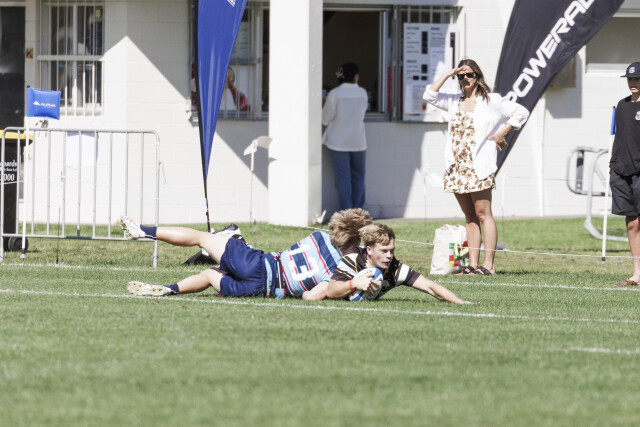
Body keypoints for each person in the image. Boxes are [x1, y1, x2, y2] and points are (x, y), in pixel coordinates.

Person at [423, 59, 529, 275]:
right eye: (461, 76)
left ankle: (489, 264)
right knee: (469, 216)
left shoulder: (491, 100)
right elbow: (429, 95)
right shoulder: (454, 100)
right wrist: (448, 74)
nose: (465, 79)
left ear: (477, 76)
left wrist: (502, 133)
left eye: (469, 74)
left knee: (483, 214)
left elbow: (521, 112)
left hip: (478, 167)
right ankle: (473, 264)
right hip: (457, 167)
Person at [122, 208, 372, 299]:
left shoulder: (317, 236)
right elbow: (311, 295)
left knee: (203, 238)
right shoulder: (339, 268)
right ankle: (170, 289)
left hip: (259, 264)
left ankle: (143, 231)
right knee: (210, 275)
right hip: (259, 290)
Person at [326, 223, 472, 304]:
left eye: (392, 250)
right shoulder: (354, 258)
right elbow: (331, 291)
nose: (389, 256)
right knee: (318, 293)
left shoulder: (395, 269)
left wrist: (459, 301)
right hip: (326, 270)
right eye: (384, 251)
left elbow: (430, 287)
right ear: (369, 250)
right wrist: (354, 284)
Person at [610, 62, 640, 287]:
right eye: (630, 79)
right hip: (622, 171)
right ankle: (637, 274)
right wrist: (614, 164)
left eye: (636, 78)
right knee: (632, 224)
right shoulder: (622, 105)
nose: (632, 82)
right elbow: (620, 138)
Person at [322, 62, 368, 210]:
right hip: (358, 141)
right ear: (355, 76)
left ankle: (346, 211)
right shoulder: (363, 93)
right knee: (358, 177)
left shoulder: (335, 93)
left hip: (338, 141)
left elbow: (325, 119)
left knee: (343, 179)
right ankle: (358, 211)